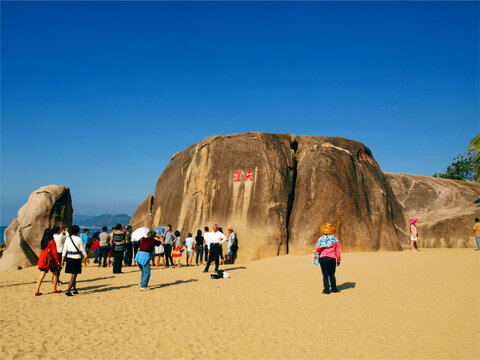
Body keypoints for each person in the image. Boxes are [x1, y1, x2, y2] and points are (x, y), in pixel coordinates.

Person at [62, 225, 89, 296]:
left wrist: (62, 260)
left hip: (69, 258)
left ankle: (74, 289)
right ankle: (68, 290)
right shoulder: (79, 239)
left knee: (74, 274)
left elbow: (64, 250)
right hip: (76, 258)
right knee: (74, 275)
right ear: (77, 231)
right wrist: (86, 257)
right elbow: (82, 249)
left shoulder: (68, 239)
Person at [315, 222, 341, 294]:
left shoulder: (321, 239)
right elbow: (337, 251)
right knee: (332, 274)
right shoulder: (335, 240)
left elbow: (318, 248)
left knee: (325, 275)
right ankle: (334, 289)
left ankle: (326, 290)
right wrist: (338, 260)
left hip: (323, 258)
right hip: (332, 258)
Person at [35, 228, 61, 296]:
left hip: (42, 259)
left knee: (41, 276)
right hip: (49, 260)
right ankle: (54, 289)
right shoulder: (52, 241)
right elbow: (54, 252)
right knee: (55, 274)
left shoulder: (43, 241)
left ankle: (37, 290)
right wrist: (57, 261)